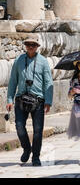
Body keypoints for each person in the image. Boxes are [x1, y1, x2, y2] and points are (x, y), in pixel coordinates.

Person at [6, 37, 53, 166]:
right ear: (25, 46)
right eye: (28, 44)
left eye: (33, 45)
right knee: (19, 126)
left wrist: (48, 101)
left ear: (37, 46)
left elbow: (48, 82)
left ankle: (36, 157)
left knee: (38, 130)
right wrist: (9, 99)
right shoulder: (19, 60)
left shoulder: (43, 61)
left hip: (38, 100)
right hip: (21, 98)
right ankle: (27, 148)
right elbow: (13, 81)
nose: (31, 47)